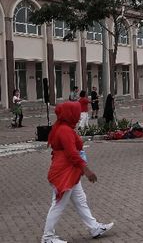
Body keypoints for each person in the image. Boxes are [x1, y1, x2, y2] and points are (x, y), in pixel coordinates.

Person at [41, 102, 113, 243]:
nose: (79, 116)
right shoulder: (64, 130)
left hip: (70, 171)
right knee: (58, 204)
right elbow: (72, 153)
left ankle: (94, 227)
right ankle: (48, 237)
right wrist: (86, 170)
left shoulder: (63, 128)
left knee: (81, 200)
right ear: (69, 114)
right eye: (76, 113)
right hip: (64, 172)